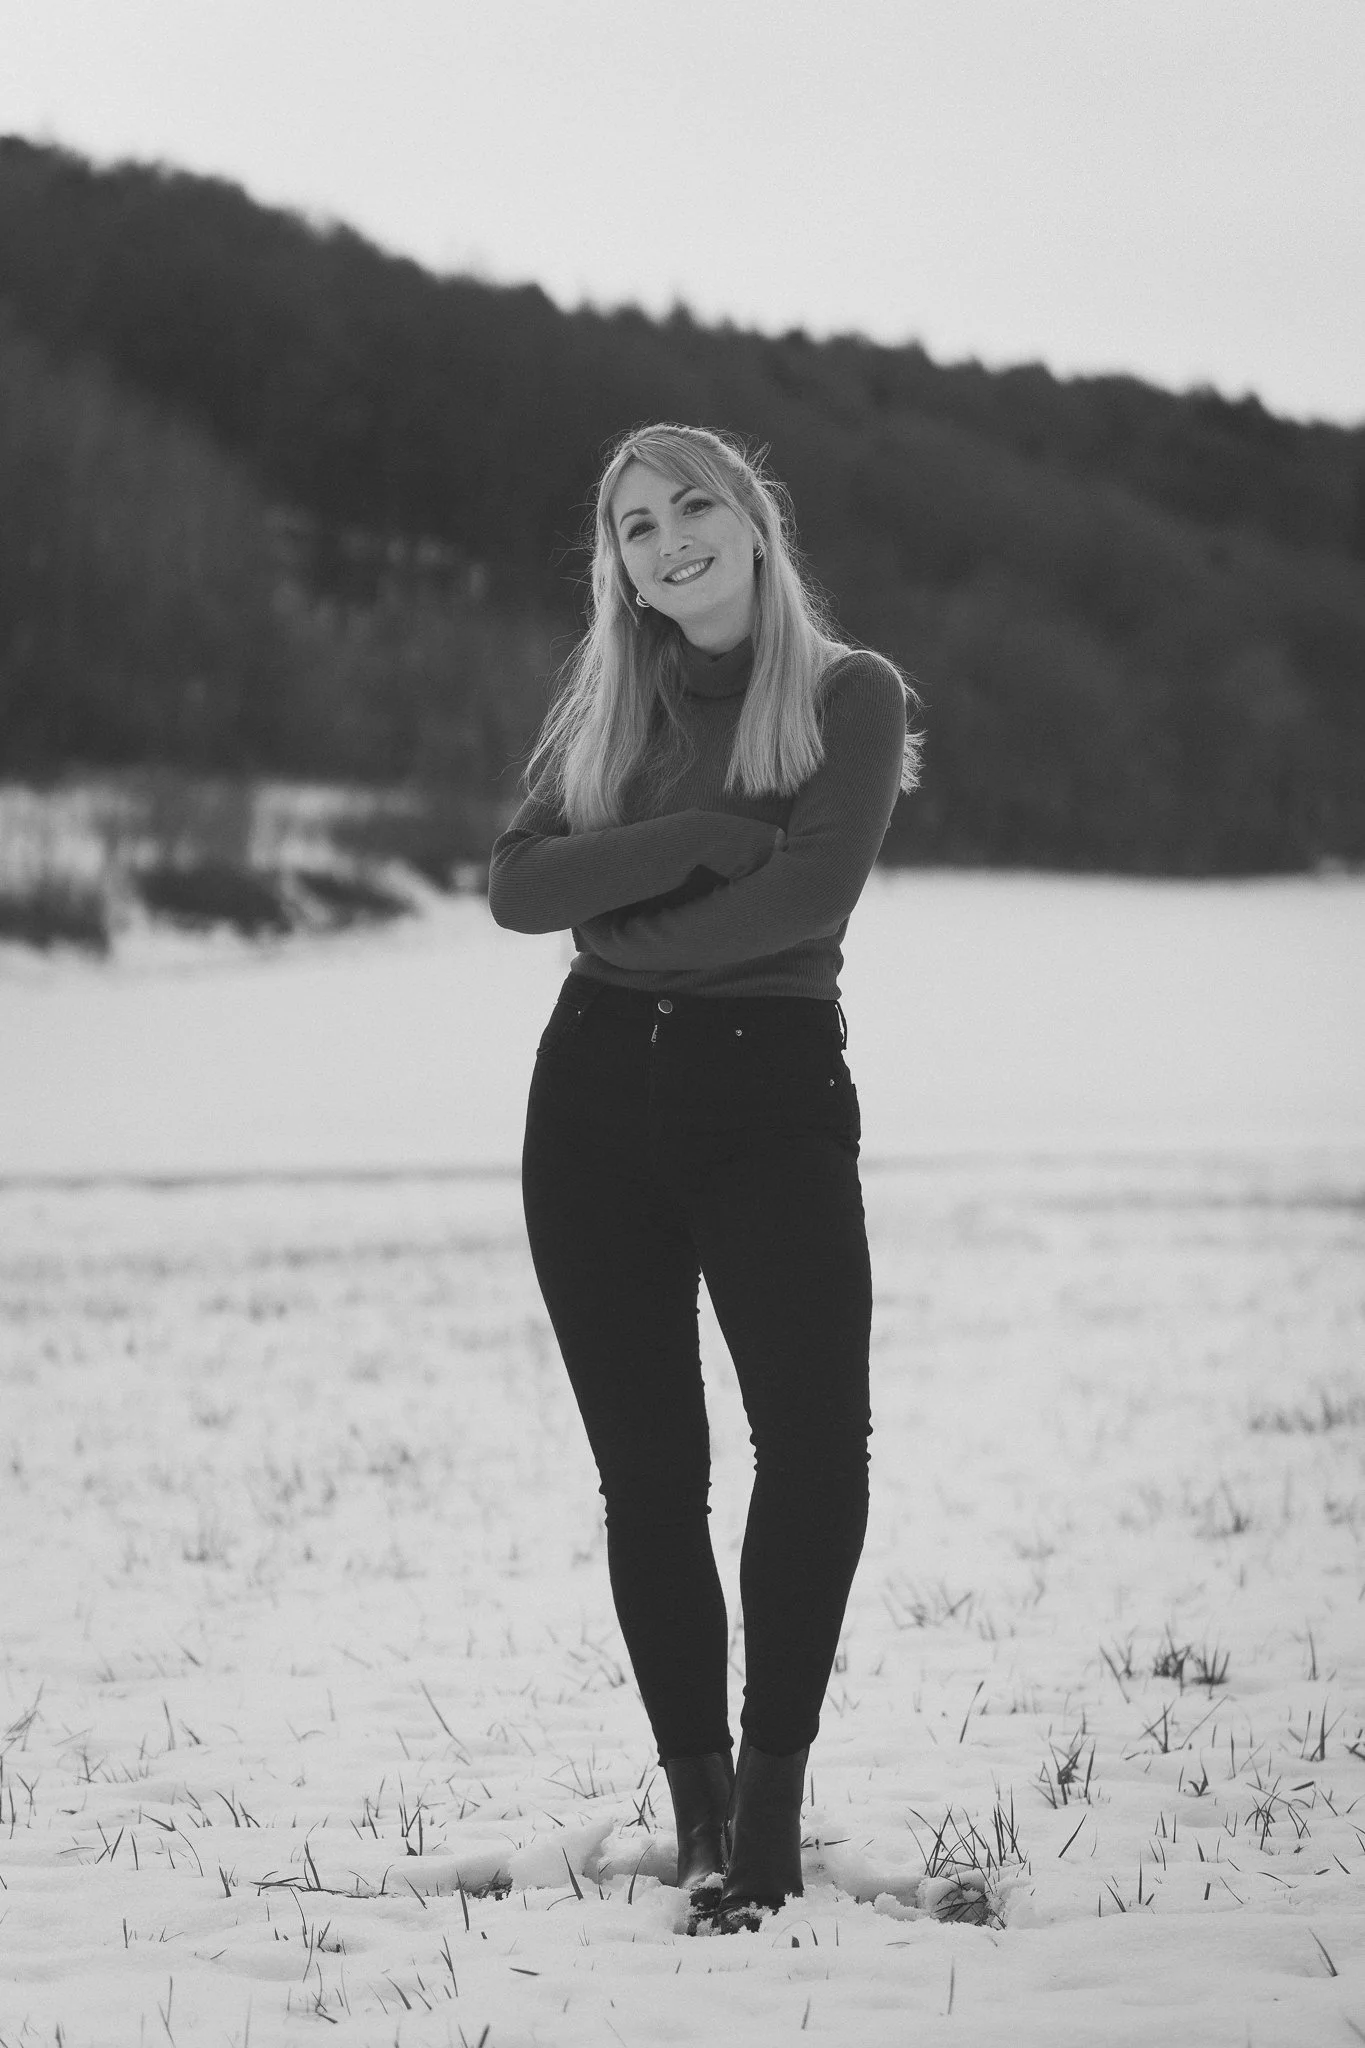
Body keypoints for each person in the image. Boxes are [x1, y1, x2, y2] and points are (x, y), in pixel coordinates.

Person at [487, 422, 920, 1932]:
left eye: (690, 509)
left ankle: (778, 1794)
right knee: (652, 1479)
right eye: (631, 527)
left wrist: (625, 915)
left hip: (770, 1099)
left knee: (816, 1444)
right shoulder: (615, 705)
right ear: (614, 561)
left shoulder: (847, 697)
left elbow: (806, 895)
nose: (664, 542)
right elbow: (514, 888)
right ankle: (703, 1816)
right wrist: (687, 836)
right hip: (592, 1106)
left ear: (752, 521)